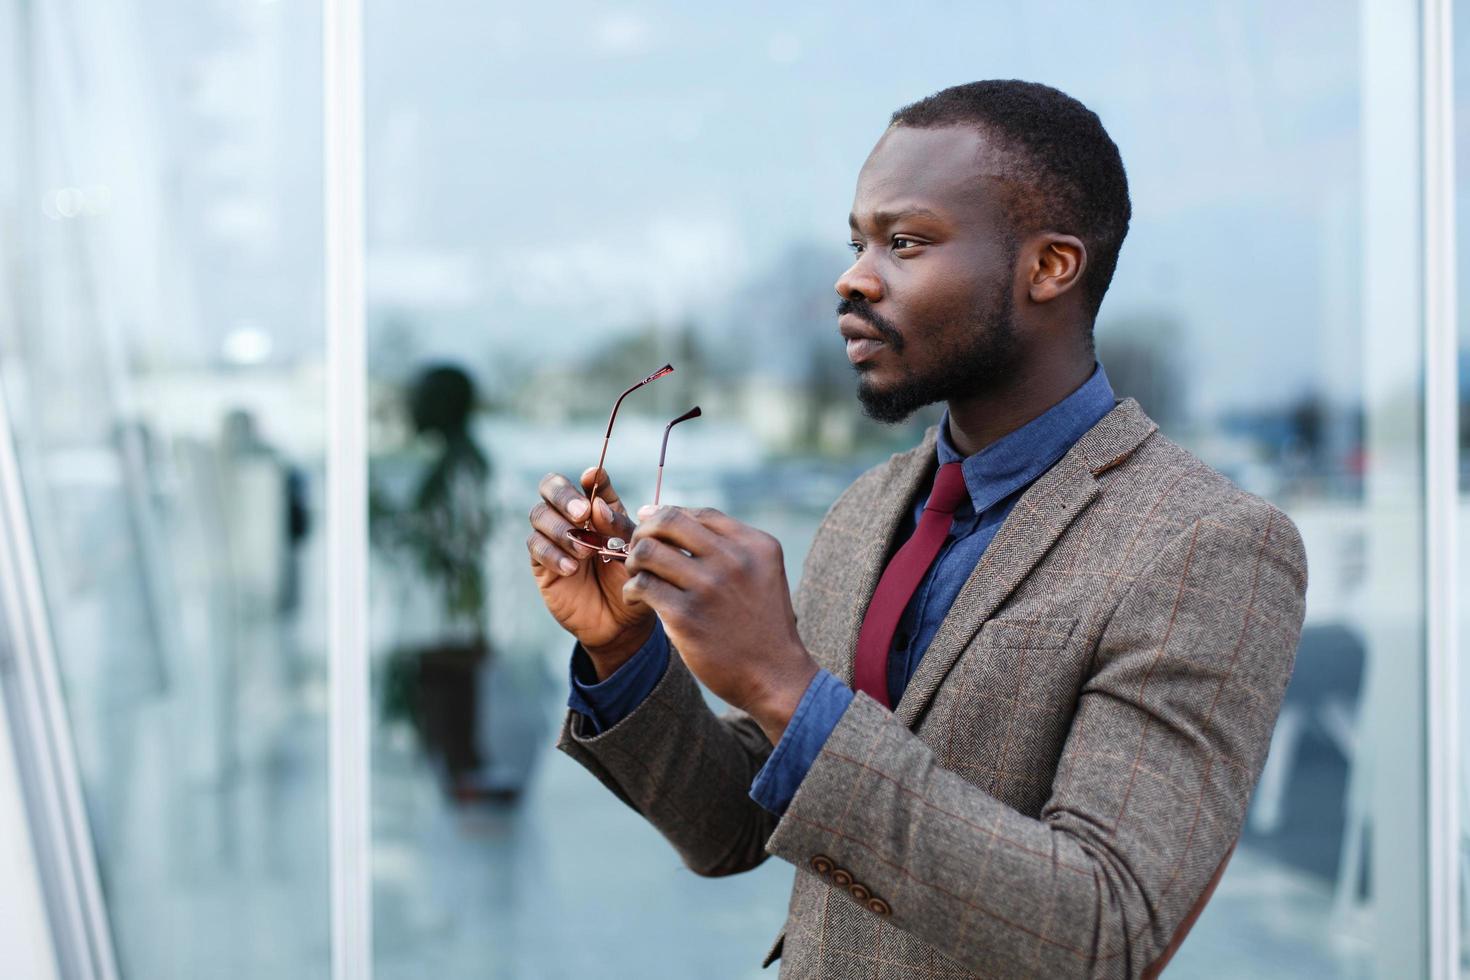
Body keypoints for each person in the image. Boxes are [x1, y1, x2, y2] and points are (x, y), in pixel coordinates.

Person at [526, 80, 1307, 979]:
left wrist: (783, 681)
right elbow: (733, 827)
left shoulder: (1206, 544)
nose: (853, 276)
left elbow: (1108, 929)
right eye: (857, 241)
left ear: (1050, 267)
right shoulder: (870, 508)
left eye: (905, 242)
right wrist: (626, 652)